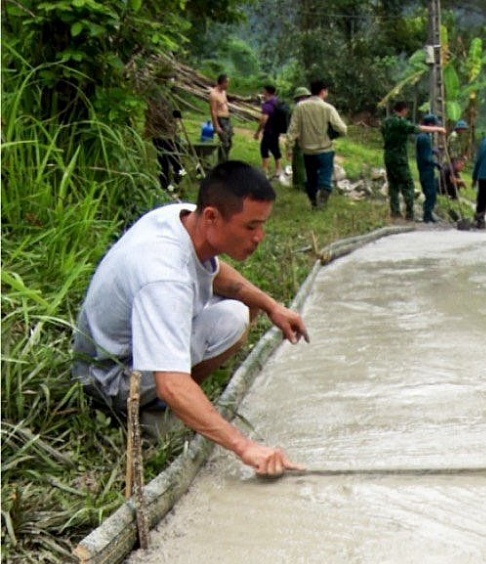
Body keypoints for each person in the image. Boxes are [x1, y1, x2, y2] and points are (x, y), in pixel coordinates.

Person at [72, 161, 309, 477]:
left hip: (120, 351)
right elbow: (171, 383)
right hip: (108, 379)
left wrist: (272, 306)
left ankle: (177, 403)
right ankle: (156, 411)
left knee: (238, 312)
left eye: (262, 225)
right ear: (212, 216)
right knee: (216, 339)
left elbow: (221, 276)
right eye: (250, 227)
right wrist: (245, 447)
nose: (259, 237)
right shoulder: (164, 275)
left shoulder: (185, 218)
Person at [284, 80, 348, 209]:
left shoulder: (300, 107)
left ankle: (313, 201)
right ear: (323, 91)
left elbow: (293, 129)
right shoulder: (328, 108)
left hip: (307, 150)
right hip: (325, 149)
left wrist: (289, 146)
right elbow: (342, 129)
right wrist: (334, 134)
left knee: (311, 177)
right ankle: (323, 193)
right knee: (325, 174)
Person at [381, 101, 445, 221]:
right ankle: (409, 214)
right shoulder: (400, 122)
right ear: (403, 110)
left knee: (393, 184)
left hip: (388, 156)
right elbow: (417, 128)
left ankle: (395, 213)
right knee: (408, 184)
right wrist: (438, 129)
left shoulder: (386, 122)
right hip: (399, 158)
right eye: (407, 111)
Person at [144, 67, 183, 194]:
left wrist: (175, 115)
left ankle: (174, 184)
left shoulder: (169, 94)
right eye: (167, 79)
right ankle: (165, 188)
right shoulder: (155, 94)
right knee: (164, 162)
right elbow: (154, 114)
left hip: (171, 132)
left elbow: (172, 110)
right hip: (160, 133)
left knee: (177, 163)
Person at [415, 114, 444, 223]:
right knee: (431, 193)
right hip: (426, 170)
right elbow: (426, 157)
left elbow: (426, 152)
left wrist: (433, 151)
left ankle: (428, 215)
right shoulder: (424, 138)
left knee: (430, 193)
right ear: (430, 125)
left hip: (425, 169)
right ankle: (427, 216)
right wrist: (437, 164)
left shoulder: (424, 137)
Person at [253, 85, 283, 179]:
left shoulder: (267, 105)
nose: (263, 93)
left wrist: (258, 132)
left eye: (264, 91)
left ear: (267, 92)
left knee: (264, 149)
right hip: (276, 130)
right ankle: (278, 170)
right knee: (275, 149)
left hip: (269, 131)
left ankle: (265, 170)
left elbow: (264, 120)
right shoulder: (278, 102)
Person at [289, 86, 311, 189]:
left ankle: (298, 184)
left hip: (302, 138)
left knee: (298, 162)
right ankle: (300, 184)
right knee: (300, 161)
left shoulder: (299, 108)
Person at [210, 74, 234, 164]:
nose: (228, 85)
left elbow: (225, 105)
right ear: (223, 83)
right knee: (224, 143)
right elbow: (213, 111)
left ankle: (225, 161)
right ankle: (221, 164)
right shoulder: (213, 94)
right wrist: (216, 126)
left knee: (229, 142)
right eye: (227, 83)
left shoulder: (223, 92)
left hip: (227, 119)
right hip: (221, 120)